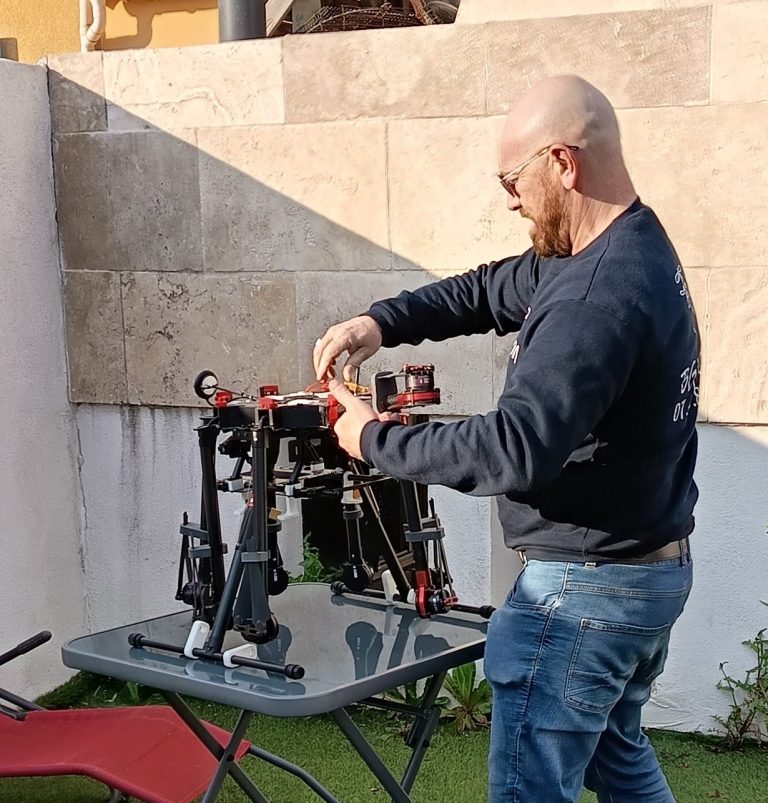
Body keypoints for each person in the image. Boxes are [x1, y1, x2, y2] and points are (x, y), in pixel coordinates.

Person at [313, 75, 699, 803]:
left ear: (563, 163)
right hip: (645, 571)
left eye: (512, 181)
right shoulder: (623, 243)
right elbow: (489, 289)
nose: (510, 199)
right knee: (618, 759)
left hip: (584, 592)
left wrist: (373, 440)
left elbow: (514, 448)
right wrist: (381, 323)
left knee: (530, 789)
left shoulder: (596, 296)